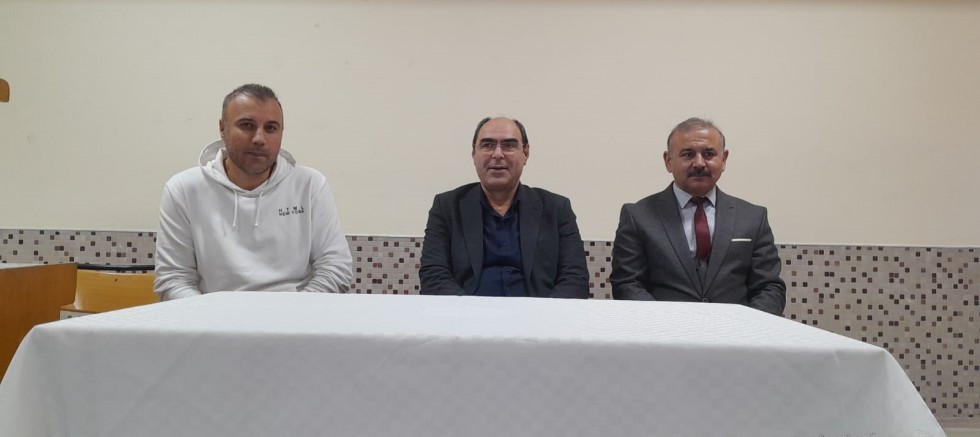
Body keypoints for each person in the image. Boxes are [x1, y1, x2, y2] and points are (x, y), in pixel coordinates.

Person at [154, 84, 352, 300]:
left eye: (271, 128)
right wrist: (210, 317)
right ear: (222, 129)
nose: (259, 138)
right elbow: (173, 279)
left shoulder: (310, 185)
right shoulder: (184, 189)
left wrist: (294, 313)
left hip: (296, 313)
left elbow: (335, 268)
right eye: (247, 125)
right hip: (213, 317)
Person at [610, 117, 785, 315]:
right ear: (668, 161)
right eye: (688, 154)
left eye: (709, 154)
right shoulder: (638, 216)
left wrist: (747, 327)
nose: (699, 163)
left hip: (737, 331)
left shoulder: (753, 217)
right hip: (664, 330)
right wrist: (665, 325)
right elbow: (627, 283)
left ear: (724, 159)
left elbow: (769, 287)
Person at [419, 117, 589, 298]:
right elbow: (433, 276)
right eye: (488, 145)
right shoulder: (447, 207)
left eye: (509, 145)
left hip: (539, 313)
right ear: (473, 153)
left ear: (526, 153)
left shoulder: (556, 209)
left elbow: (575, 279)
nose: (498, 154)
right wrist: (467, 312)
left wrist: (544, 314)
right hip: (466, 312)